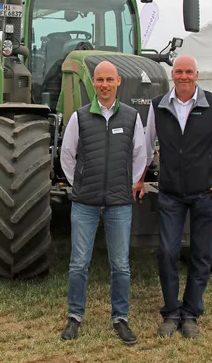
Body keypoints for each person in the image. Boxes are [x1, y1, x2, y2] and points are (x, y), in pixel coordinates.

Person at [133, 55, 212, 339]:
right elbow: (147, 148)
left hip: (204, 194)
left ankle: (191, 315)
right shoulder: (158, 106)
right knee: (168, 253)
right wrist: (138, 178)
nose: (183, 76)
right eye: (179, 72)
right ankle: (171, 313)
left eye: (189, 72)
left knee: (201, 255)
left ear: (197, 75)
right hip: (171, 193)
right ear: (172, 75)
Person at [59, 60, 147, 345]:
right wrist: (80, 185)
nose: (105, 84)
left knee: (120, 264)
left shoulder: (132, 117)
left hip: (119, 204)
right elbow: (67, 155)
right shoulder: (80, 117)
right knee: (78, 264)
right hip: (85, 202)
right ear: (93, 83)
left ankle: (120, 318)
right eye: (100, 80)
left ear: (118, 82)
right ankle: (74, 316)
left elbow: (140, 156)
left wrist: (125, 183)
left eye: (110, 79)